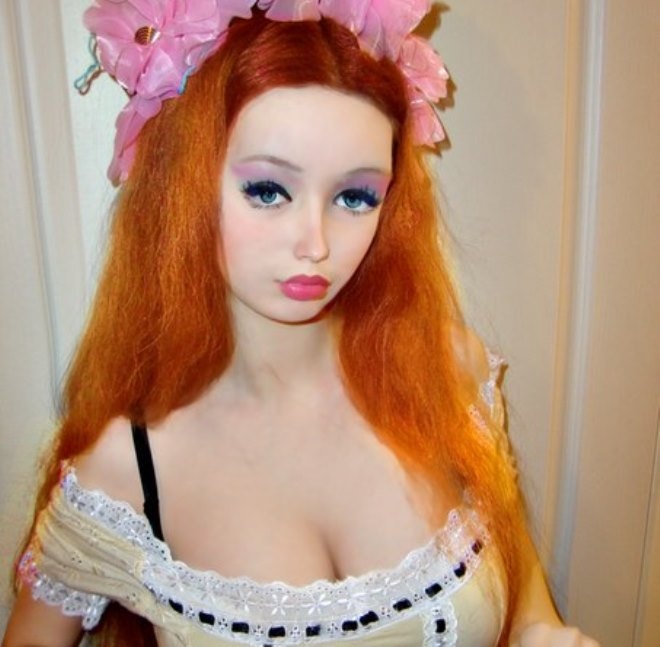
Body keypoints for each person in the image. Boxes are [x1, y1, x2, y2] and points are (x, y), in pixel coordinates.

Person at [3, 1, 599, 646]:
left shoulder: (449, 373)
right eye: (267, 191)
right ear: (187, 184)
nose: (315, 244)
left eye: (355, 196)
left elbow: (533, 617)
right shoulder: (124, 473)